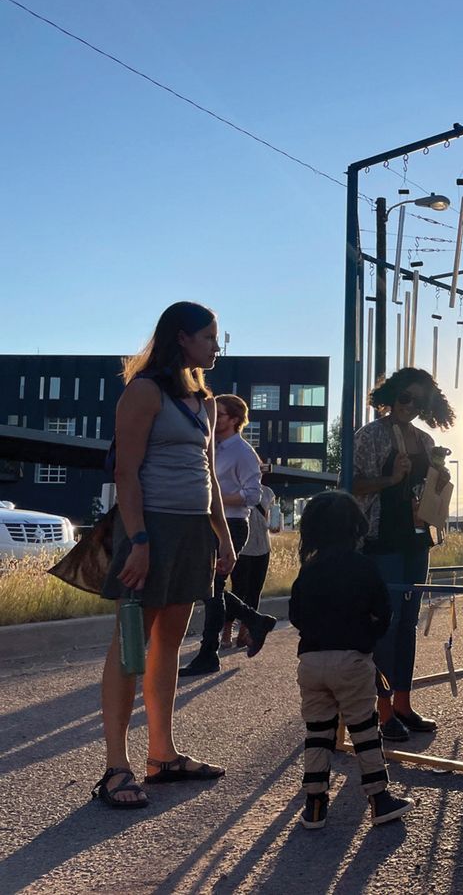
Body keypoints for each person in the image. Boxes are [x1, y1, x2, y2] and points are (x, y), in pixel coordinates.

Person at [92, 301, 233, 809]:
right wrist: (141, 541)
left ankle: (162, 756)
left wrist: (222, 534)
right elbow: (126, 474)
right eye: (210, 337)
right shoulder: (143, 392)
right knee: (131, 644)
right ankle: (115, 768)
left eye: (220, 339)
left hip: (193, 531)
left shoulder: (205, 401)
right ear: (182, 338)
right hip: (148, 531)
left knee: (170, 643)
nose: (217, 347)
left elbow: (209, 474)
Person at [288, 491, 416, 830]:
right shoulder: (364, 567)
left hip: (311, 661)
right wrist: (365, 634)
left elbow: (297, 616)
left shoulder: (308, 571)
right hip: (352, 660)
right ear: (355, 527)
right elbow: (384, 614)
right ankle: (379, 798)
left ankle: (314, 804)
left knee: (317, 731)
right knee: (363, 729)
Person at [352, 368, 454, 743]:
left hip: (417, 541)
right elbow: (351, 485)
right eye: (405, 397)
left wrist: (439, 482)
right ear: (391, 395)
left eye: (418, 400)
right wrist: (390, 480)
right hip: (382, 541)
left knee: (409, 623)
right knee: (387, 625)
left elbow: (430, 493)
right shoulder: (370, 435)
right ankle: (381, 711)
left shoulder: (425, 441)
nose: (410, 406)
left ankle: (403, 704)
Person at [180, 394, 277, 676]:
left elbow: (252, 496)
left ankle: (209, 654)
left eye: (219, 415)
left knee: (212, 589)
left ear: (234, 419)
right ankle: (255, 620)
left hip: (232, 525)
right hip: (209, 523)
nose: (213, 419)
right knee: (211, 588)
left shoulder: (243, 453)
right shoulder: (211, 446)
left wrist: (213, 497)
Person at [227, 482, 277, 648]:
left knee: (255, 591)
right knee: (238, 590)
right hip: (242, 547)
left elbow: (268, 519)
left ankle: (244, 633)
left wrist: (274, 527)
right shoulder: (234, 490)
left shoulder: (268, 492)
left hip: (262, 546)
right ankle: (226, 633)